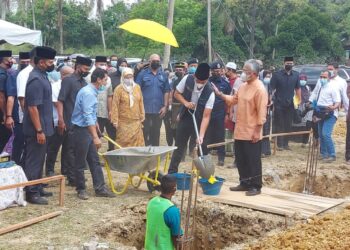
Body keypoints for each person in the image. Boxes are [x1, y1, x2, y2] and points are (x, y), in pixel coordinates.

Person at [212, 59, 268, 196]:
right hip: (240, 129)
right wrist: (220, 94)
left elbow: (262, 113)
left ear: (253, 73)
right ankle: (244, 182)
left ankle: (255, 186)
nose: (242, 73)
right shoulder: (243, 86)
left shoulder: (260, 89)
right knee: (241, 158)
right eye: (243, 70)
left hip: (252, 131)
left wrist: (257, 131)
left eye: (245, 71)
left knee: (253, 159)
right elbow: (233, 100)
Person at [71, 68, 116, 200]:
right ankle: (81, 189)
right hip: (81, 130)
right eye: (105, 80)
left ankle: (100, 188)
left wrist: (96, 124)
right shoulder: (88, 93)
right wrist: (95, 137)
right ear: (98, 80)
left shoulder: (92, 91)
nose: (106, 82)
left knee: (94, 160)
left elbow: (90, 113)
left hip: (88, 128)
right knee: (80, 161)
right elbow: (86, 116)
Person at [22, 46, 56, 205]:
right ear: (41, 62)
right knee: (34, 160)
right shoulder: (35, 79)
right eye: (50, 61)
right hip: (37, 129)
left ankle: (38, 185)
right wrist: (39, 130)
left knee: (40, 158)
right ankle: (31, 192)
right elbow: (32, 108)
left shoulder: (42, 75)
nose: (53, 64)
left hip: (44, 127)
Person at [168, 63, 215, 174]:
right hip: (186, 116)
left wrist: (201, 136)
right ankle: (172, 172)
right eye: (198, 80)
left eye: (203, 82)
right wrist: (186, 103)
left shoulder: (210, 93)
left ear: (207, 79)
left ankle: (204, 175)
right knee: (179, 146)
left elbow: (206, 116)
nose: (199, 84)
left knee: (201, 146)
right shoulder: (187, 79)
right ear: (194, 76)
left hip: (200, 118)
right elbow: (177, 93)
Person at [57, 56, 92, 186]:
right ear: (77, 66)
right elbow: (60, 101)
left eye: (88, 69)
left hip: (81, 123)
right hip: (69, 121)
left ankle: (77, 175)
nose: (87, 71)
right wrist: (61, 119)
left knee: (78, 151)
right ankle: (72, 177)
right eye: (85, 68)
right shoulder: (68, 81)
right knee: (70, 150)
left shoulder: (84, 83)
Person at [136, 54, 170, 146]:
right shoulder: (142, 74)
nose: (156, 62)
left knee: (156, 132)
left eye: (158, 61)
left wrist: (165, 106)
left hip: (158, 109)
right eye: (154, 60)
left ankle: (155, 154)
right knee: (144, 131)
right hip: (144, 109)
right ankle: (144, 152)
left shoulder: (163, 75)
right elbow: (137, 90)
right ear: (149, 61)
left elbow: (166, 91)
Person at [45, 66, 74, 177]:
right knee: (54, 147)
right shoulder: (55, 87)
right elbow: (57, 104)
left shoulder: (72, 85)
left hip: (71, 122)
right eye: (70, 75)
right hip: (58, 122)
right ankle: (49, 170)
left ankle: (66, 170)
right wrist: (62, 120)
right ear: (63, 75)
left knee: (68, 148)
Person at [309, 71, 340, 162]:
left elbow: (337, 101)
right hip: (320, 112)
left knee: (326, 134)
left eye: (324, 77)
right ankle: (324, 154)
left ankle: (332, 155)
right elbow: (315, 97)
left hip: (330, 113)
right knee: (320, 134)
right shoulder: (320, 87)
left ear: (329, 78)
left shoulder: (333, 88)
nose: (322, 79)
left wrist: (333, 107)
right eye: (321, 76)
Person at [271, 56, 301, 150]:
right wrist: (271, 100)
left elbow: (297, 89)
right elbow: (271, 89)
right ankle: (280, 144)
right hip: (279, 102)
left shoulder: (296, 75)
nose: (289, 65)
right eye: (287, 63)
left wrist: (298, 100)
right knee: (280, 124)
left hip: (290, 103)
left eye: (291, 64)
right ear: (283, 63)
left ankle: (286, 144)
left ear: (293, 64)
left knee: (288, 124)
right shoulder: (276, 75)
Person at [5, 52, 31, 165]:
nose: (25, 64)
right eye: (23, 62)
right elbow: (10, 97)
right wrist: (9, 116)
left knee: (29, 145)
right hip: (18, 116)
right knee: (18, 142)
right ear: (19, 61)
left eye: (27, 62)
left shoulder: (32, 75)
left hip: (31, 115)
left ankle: (26, 169)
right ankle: (15, 167)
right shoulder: (14, 75)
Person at [145, 174, 182, 249]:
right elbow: (176, 238)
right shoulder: (172, 210)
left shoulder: (151, 202)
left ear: (161, 187)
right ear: (174, 189)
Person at [111, 67, 145, 147]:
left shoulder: (137, 88)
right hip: (123, 122)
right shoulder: (118, 89)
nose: (129, 79)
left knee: (138, 143)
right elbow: (115, 105)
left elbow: (141, 102)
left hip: (136, 121)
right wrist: (115, 120)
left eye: (131, 77)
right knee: (123, 142)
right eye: (127, 77)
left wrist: (142, 114)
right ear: (123, 77)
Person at [208, 61, 231, 166]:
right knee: (207, 134)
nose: (217, 73)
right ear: (211, 71)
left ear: (221, 71)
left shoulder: (225, 84)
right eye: (214, 71)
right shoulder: (207, 83)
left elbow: (229, 101)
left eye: (218, 71)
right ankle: (205, 155)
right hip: (207, 113)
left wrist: (227, 114)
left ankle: (221, 158)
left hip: (220, 113)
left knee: (220, 135)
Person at [164, 61, 187, 146]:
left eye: (180, 70)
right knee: (172, 128)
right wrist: (169, 105)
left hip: (184, 107)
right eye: (177, 70)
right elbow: (171, 93)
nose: (178, 71)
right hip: (174, 107)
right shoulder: (173, 81)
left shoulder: (187, 80)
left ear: (184, 70)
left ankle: (182, 150)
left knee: (182, 130)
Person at [0, 50, 13, 152]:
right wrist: (5, 114)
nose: (12, 60)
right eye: (10, 59)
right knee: (5, 133)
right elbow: (1, 97)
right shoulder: (2, 75)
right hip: (1, 112)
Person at [298, 74, 313, 147]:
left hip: (307, 107)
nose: (302, 81)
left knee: (308, 123)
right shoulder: (296, 87)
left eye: (304, 79)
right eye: (301, 79)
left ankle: (305, 141)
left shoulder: (308, 88)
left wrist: (308, 104)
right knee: (300, 123)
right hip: (298, 106)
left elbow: (311, 97)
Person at [261, 70, 273, 157]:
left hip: (267, 111)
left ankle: (266, 150)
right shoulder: (259, 86)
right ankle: (261, 151)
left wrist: (271, 101)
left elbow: (273, 96)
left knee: (266, 130)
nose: (268, 78)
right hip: (260, 111)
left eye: (269, 77)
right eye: (266, 77)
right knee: (261, 130)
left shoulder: (270, 86)